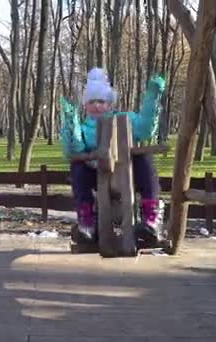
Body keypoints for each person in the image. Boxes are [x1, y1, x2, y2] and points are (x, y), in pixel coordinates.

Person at [60, 67, 166, 245]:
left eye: (101, 101)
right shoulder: (84, 128)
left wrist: (152, 96)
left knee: (145, 157)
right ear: (85, 105)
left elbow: (145, 129)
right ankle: (87, 221)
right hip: (96, 173)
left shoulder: (126, 119)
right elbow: (74, 148)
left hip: (127, 173)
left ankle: (151, 217)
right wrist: (71, 122)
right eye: (91, 101)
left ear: (110, 104)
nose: (96, 105)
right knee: (78, 167)